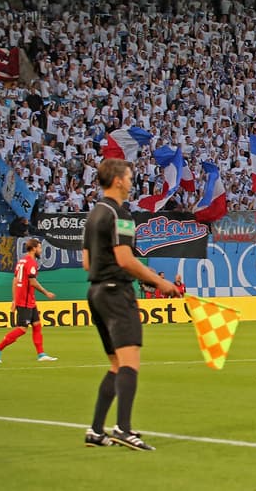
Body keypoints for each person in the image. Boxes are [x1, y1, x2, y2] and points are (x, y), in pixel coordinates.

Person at [82, 159, 178, 451]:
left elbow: (87, 263)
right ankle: (123, 429)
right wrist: (159, 282)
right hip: (116, 292)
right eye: (129, 176)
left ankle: (96, 431)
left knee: (115, 364)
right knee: (129, 362)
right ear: (118, 181)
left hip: (96, 292)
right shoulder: (120, 214)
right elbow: (125, 259)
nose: (132, 180)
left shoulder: (94, 214)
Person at [0, 238, 58, 364]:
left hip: (26, 299)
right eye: (40, 248)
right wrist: (46, 293)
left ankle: (41, 354)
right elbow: (32, 282)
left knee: (36, 325)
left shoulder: (21, 261)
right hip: (24, 300)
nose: (41, 250)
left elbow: (15, 280)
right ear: (34, 248)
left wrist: (14, 299)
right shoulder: (30, 262)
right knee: (22, 329)